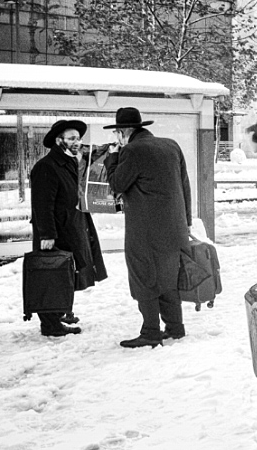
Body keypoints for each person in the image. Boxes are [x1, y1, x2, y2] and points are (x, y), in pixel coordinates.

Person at [103, 106, 192, 349]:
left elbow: (117, 184)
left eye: (117, 134)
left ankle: (151, 332)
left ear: (123, 132)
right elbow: (185, 185)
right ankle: (175, 327)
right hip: (175, 228)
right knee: (168, 279)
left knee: (145, 279)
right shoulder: (171, 145)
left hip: (145, 231)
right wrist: (187, 221)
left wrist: (112, 159)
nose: (117, 140)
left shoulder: (132, 150)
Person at [28, 119, 107, 337]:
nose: (77, 142)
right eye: (71, 138)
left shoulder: (70, 163)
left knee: (66, 273)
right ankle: (50, 324)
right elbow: (42, 205)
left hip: (70, 228)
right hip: (56, 233)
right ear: (58, 141)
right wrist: (47, 235)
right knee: (53, 275)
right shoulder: (46, 167)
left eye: (78, 138)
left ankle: (61, 311)